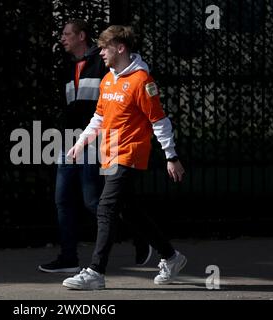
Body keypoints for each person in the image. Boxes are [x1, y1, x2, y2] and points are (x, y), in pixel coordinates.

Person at [62, 25, 187, 289]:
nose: (101, 54)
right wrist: (81, 143)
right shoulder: (108, 80)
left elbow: (159, 121)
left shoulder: (142, 81)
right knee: (129, 211)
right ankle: (171, 257)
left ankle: (96, 272)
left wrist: (171, 155)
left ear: (120, 48)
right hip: (109, 154)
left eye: (105, 48)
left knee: (106, 207)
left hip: (129, 153)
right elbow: (98, 117)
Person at [38, 20, 153, 273]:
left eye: (67, 34)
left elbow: (130, 72)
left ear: (82, 36)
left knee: (95, 202)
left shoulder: (104, 61)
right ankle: (68, 257)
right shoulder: (69, 68)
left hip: (99, 141)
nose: (62, 38)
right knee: (63, 199)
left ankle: (142, 236)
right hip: (71, 141)